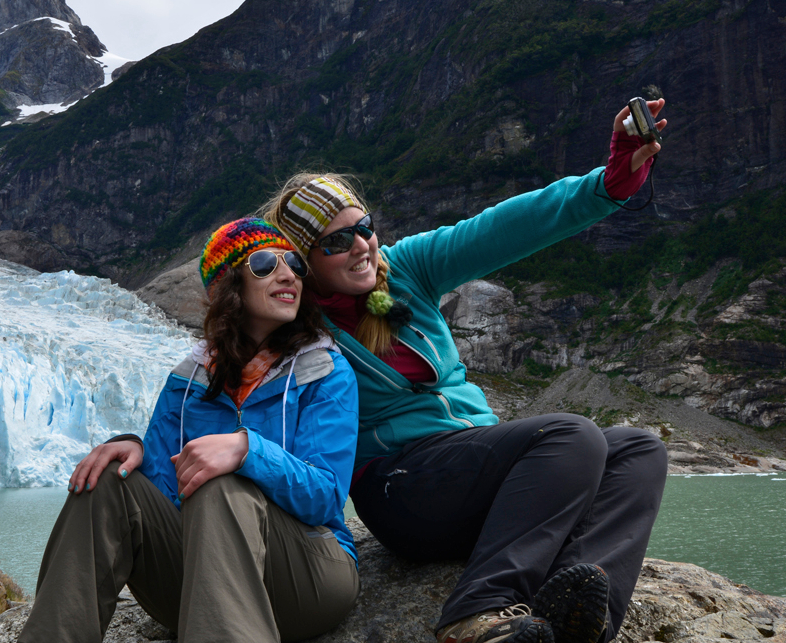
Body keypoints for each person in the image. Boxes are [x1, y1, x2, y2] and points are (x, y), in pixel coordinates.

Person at [259, 100, 672, 643]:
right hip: (401, 489)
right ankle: (475, 613)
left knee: (640, 448)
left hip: (476, 470)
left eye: (364, 227)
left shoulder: (406, 269)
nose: (361, 246)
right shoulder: (294, 323)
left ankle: (578, 623)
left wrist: (610, 183)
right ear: (304, 258)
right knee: (571, 436)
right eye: (337, 241)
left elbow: (506, 226)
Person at [18, 217, 361, 643]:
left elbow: (326, 496)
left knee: (220, 485)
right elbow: (160, 496)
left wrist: (248, 451)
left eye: (293, 263)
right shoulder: (190, 379)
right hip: (202, 580)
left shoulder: (325, 370)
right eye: (266, 264)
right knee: (108, 477)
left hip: (308, 576)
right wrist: (132, 449)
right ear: (227, 285)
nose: (289, 273)